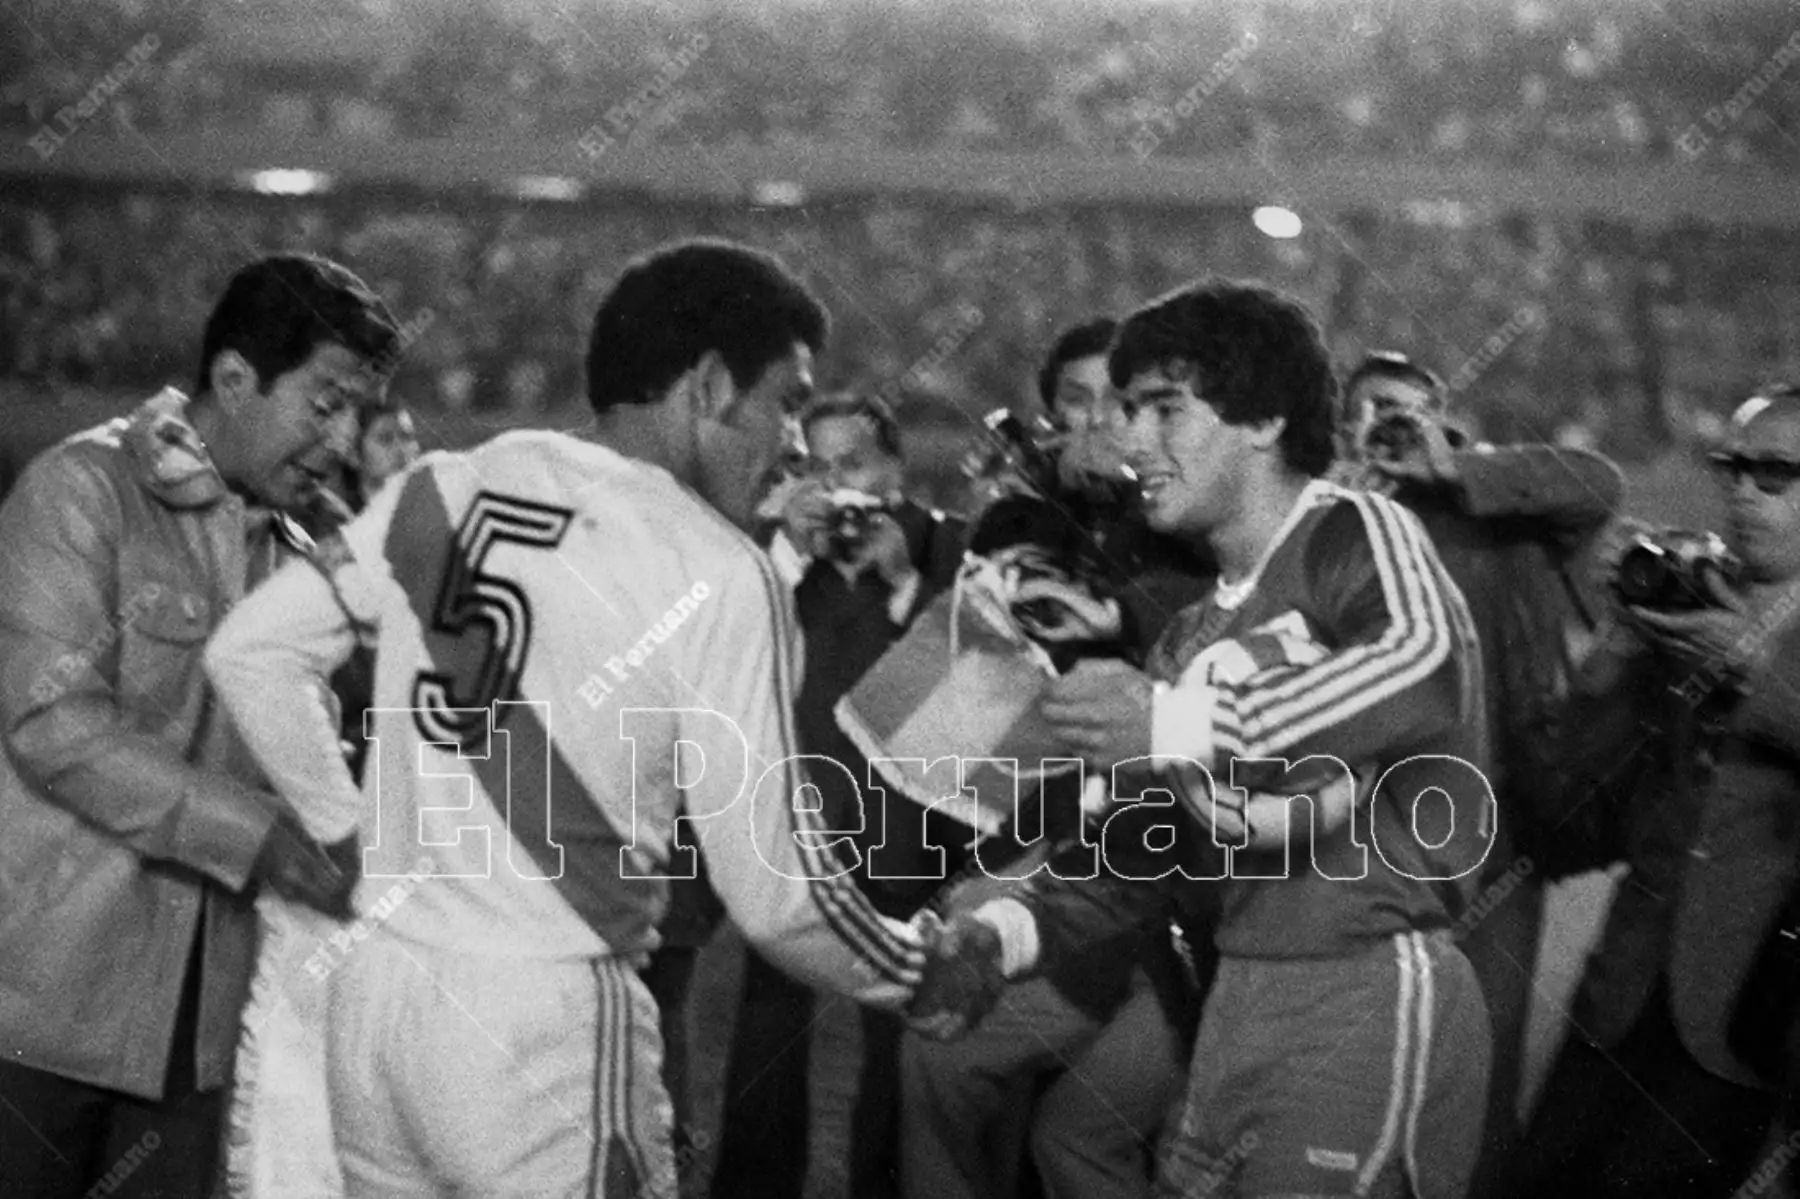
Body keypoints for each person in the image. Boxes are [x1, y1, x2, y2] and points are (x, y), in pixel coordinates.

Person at [202, 238, 983, 1197]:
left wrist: (345, 833)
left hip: (379, 1003)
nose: (790, 440)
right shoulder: (716, 567)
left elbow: (251, 653)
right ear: (708, 385)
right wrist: (918, 969)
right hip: (542, 1024)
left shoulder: (441, 484)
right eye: (786, 401)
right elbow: (778, 894)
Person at [1000, 278, 1494, 1197]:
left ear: (1265, 418)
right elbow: (1137, 853)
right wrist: (997, 936)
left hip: (1363, 985)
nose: (1132, 441)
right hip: (1232, 998)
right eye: (1127, 411)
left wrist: (1178, 722)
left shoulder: (1356, 530)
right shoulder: (1189, 636)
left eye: (1164, 409)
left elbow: (1424, 663)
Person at [0, 253, 389, 1198]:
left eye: (359, 414)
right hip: (39, 1013)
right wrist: (260, 839)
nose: (343, 440)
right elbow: (51, 719)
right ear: (234, 378)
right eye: (326, 404)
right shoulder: (82, 488)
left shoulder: (310, 549)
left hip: (203, 1036)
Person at [898, 318, 1216, 1199]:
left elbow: (1195, 639)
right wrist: (1026, 517)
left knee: (1062, 1127)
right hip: (1035, 847)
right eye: (1077, 402)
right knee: (973, 1076)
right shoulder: (1034, 517)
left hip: (1154, 879)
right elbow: (962, 698)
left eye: (1123, 402)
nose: (1100, 422)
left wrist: (1117, 555)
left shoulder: (1187, 522)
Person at [1334, 349, 1625, 1195]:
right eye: (1373, 409)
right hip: (1376, 831)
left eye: (1409, 407)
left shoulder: (1498, 500)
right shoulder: (1334, 512)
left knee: (1483, 1062)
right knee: (1375, 1068)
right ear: (1343, 425)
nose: (1391, 425)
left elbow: (1597, 483)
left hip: (1499, 824)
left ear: (1442, 416)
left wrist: (1454, 469)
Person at [1510, 388, 1800, 1197]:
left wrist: (1752, 669)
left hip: (1743, 1022)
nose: (1743, 490)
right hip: (1620, 995)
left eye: (1774, 472)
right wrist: (1618, 642)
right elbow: (1570, 806)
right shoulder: (1686, 595)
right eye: (1732, 467)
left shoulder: (1745, 641)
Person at [711, 392, 970, 1199]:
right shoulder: (772, 553)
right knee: (769, 1017)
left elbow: (975, 680)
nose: (836, 485)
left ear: (894, 466)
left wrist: (903, 584)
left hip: (908, 822)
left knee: (897, 1027)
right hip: (802, 816)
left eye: (852, 463)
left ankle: (881, 1184)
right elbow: (732, 641)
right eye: (815, 466)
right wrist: (789, 549)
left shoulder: (949, 545)